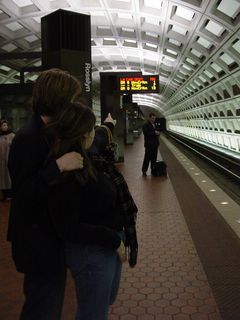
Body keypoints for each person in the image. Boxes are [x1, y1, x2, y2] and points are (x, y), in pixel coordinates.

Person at [46, 102, 138, 320]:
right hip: (91, 252)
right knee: (92, 314)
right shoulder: (69, 168)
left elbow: (100, 138)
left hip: (109, 244)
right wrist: (113, 241)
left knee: (104, 302)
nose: (93, 133)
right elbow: (68, 226)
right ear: (80, 133)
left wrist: (108, 125)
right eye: (90, 128)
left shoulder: (88, 158)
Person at [7, 68, 85, 320]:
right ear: (58, 99)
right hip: (37, 243)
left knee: (49, 304)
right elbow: (25, 194)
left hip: (48, 239)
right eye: (71, 100)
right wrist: (59, 166)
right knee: (42, 308)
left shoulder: (47, 134)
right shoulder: (27, 138)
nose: (73, 106)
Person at [0, 119, 15, 200]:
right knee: (2, 178)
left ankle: (10, 194)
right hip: (1, 162)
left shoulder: (12, 135)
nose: (5, 127)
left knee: (9, 177)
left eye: (6, 125)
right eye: (3, 125)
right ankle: (4, 195)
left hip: (9, 159)